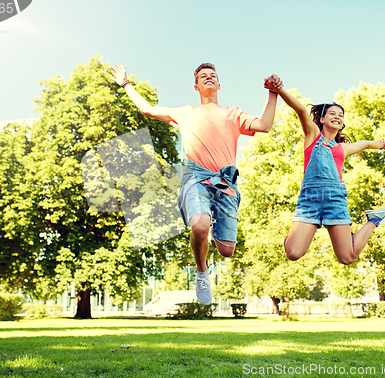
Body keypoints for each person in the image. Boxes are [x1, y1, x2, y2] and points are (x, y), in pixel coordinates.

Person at [111, 63, 280, 303]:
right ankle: (202, 272)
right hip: (196, 176)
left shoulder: (234, 114)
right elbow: (147, 109)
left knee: (226, 250)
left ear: (219, 85)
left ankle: (209, 221)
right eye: (203, 76)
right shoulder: (186, 112)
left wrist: (273, 94)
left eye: (212, 76)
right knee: (200, 226)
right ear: (196, 86)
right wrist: (125, 83)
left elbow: (264, 125)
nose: (208, 78)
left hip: (225, 181)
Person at [264, 76, 385, 265]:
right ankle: (295, 233)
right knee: (292, 253)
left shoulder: (342, 148)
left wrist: (380, 145)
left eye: (341, 115)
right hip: (309, 200)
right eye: (333, 113)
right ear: (322, 118)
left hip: (335, 199)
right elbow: (301, 110)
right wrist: (279, 90)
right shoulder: (312, 136)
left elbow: (365, 144)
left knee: (347, 257)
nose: (337, 117)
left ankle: (373, 220)